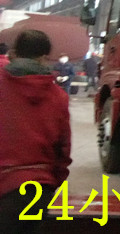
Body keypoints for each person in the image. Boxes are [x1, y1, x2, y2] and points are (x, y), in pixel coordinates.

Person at [0, 30, 71, 234]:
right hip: (38, 189)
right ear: (44, 58)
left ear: (14, 54)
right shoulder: (58, 96)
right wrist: (52, 182)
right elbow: (63, 149)